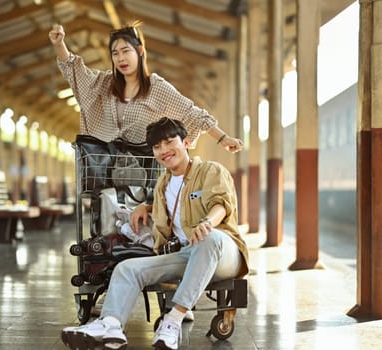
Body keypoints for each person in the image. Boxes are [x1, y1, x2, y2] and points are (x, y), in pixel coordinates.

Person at [61, 117, 249, 350]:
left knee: (208, 239)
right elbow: (170, 207)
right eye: (157, 146)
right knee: (127, 268)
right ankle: (110, 324)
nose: (164, 150)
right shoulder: (162, 184)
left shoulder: (210, 170)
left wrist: (207, 223)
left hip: (223, 251)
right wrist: (145, 207)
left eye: (170, 142)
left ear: (187, 143)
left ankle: (173, 320)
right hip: (187, 254)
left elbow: (221, 204)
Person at [48, 21, 244, 153]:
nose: (121, 58)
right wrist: (59, 44)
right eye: (115, 53)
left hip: (144, 175)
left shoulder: (156, 87)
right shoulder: (105, 83)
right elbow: (76, 73)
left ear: (139, 51)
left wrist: (224, 138)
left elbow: (193, 114)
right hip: (105, 170)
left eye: (126, 51)